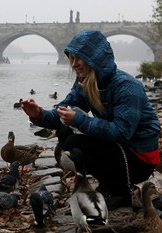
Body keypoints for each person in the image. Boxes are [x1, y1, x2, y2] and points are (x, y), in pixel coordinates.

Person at [21, 30, 160, 210]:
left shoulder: (126, 87)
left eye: (80, 58)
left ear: (96, 58)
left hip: (140, 158)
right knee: (65, 133)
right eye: (72, 58)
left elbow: (121, 132)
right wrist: (37, 114)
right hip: (121, 150)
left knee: (75, 141)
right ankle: (110, 184)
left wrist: (80, 120)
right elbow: (62, 113)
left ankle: (121, 192)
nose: (75, 63)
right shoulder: (84, 81)